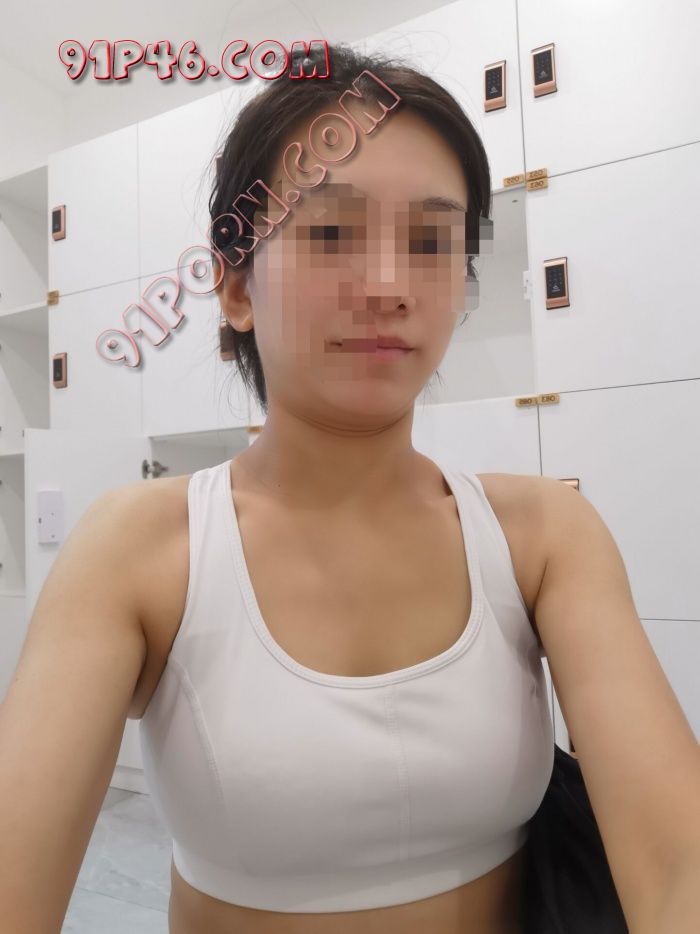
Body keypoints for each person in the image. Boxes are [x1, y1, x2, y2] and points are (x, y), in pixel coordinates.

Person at [11, 42, 689, 934]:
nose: (389, 285)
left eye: (432, 243)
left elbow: (675, 863)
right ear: (235, 287)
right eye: (331, 234)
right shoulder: (141, 551)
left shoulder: (543, 535)